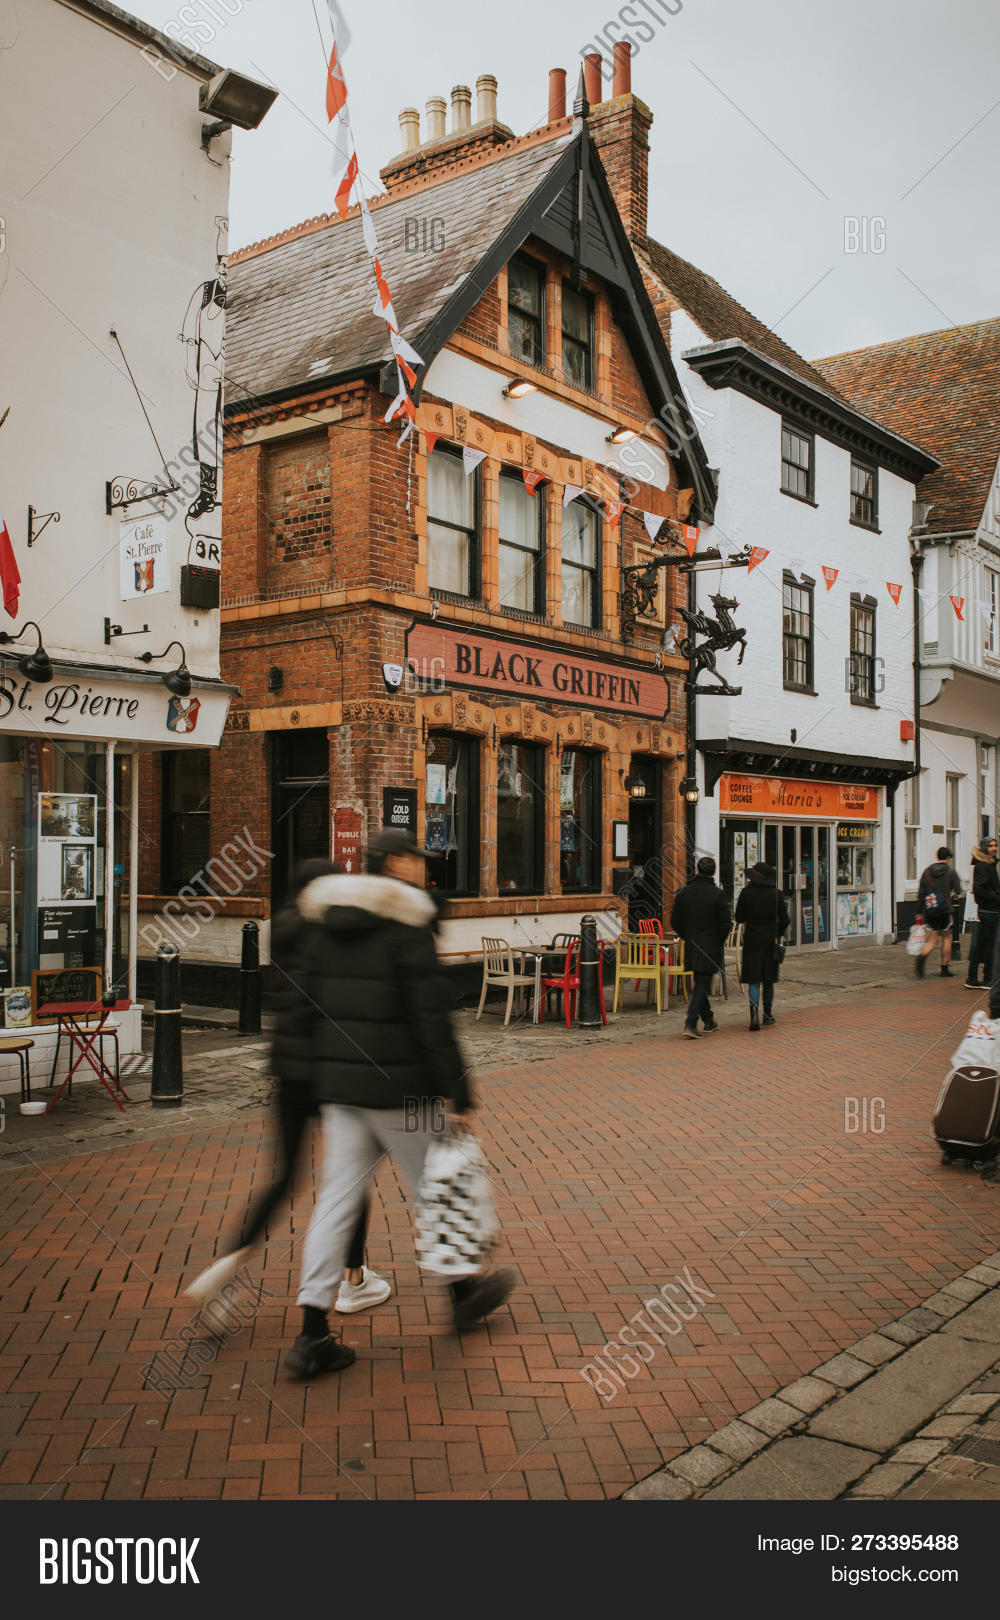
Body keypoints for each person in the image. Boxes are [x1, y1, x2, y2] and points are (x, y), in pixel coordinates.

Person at [286, 829, 514, 1378]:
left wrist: (312, 1078)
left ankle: (312, 1332)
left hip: (342, 1090)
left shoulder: (327, 921)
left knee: (335, 1203)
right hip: (403, 1090)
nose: (424, 869)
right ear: (394, 863)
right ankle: (464, 1294)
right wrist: (457, 1089)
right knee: (436, 1188)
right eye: (416, 859)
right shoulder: (407, 923)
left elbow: (304, 1004)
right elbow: (430, 1016)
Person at [184, 859, 390, 1318]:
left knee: (283, 1178)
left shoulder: (285, 928)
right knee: (351, 1175)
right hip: (331, 1073)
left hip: (288, 1070)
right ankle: (353, 1279)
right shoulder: (330, 934)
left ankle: (228, 1264)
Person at [669, 854, 732, 1039]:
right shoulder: (717, 894)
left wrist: (687, 936)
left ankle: (709, 1019)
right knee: (702, 984)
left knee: (700, 983)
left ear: (697, 870)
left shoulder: (684, 892)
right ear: (713, 872)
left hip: (692, 943)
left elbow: (674, 920)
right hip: (710, 944)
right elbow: (725, 923)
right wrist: (718, 940)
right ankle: (691, 1023)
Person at [735, 862, 790, 1031]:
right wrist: (778, 934)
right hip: (770, 940)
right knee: (768, 979)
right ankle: (767, 1014)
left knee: (754, 979)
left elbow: (739, 917)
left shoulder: (746, 893)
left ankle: (753, 1014)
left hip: (752, 940)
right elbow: (785, 919)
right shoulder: (776, 894)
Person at [915, 846, 963, 978]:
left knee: (932, 939)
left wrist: (919, 911)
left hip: (930, 909)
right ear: (948, 857)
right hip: (945, 909)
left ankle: (922, 956)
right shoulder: (951, 872)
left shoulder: (926, 871)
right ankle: (944, 969)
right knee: (946, 937)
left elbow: (921, 893)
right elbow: (958, 890)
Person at [965, 837, 1000, 989]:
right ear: (984, 848)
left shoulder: (988, 864)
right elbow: (979, 889)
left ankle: (972, 978)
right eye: (990, 846)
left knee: (980, 944)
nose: (994, 848)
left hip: (989, 910)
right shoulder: (983, 866)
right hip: (989, 911)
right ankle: (987, 978)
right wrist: (996, 897)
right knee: (991, 945)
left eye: (995, 845)